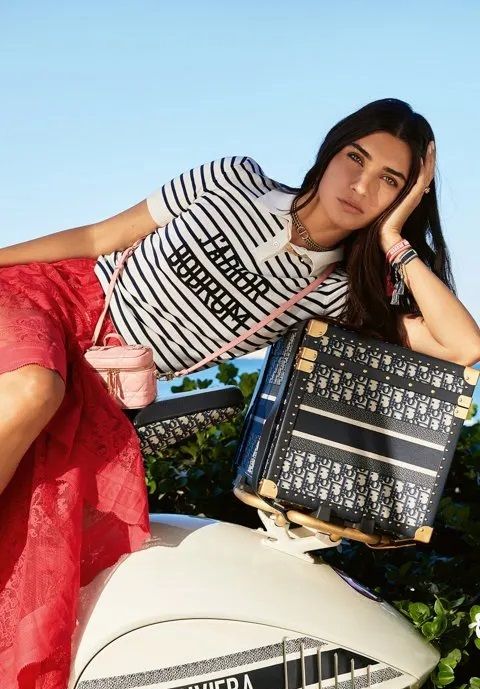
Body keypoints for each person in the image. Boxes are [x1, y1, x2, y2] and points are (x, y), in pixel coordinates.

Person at [0, 97, 479, 688]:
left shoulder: (340, 292)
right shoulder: (233, 178)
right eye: (356, 159)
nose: (361, 185)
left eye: (390, 180)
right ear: (331, 151)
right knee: (33, 390)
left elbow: (462, 346)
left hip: (93, 386)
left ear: (406, 197)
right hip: (50, 302)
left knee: (49, 544)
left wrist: (392, 236)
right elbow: (99, 236)